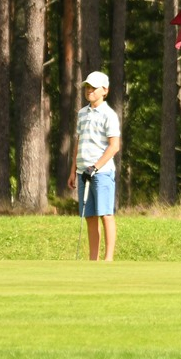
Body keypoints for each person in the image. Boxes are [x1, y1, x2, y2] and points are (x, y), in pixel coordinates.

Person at [68, 71, 121, 261]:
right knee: (89, 216)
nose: (89, 90)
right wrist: (74, 170)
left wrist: (95, 167)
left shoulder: (109, 115)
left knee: (105, 214)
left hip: (102, 173)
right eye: (87, 87)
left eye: (93, 87)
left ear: (105, 90)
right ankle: (93, 260)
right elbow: (79, 142)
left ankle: (108, 259)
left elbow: (114, 146)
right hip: (83, 172)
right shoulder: (82, 114)